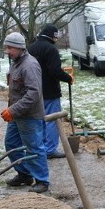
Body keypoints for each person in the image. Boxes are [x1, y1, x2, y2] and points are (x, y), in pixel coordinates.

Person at [0, 32, 50, 193]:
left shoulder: (29, 65)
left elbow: (34, 94)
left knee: (34, 147)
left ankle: (42, 181)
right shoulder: (16, 62)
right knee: (11, 143)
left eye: (10, 47)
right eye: (6, 47)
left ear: (20, 48)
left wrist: (12, 110)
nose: (7, 51)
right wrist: (11, 110)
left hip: (29, 115)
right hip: (17, 114)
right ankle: (24, 174)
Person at [27, 24, 73, 159]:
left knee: (39, 120)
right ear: (53, 36)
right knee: (53, 120)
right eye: (56, 37)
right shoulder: (51, 49)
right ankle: (50, 149)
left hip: (34, 91)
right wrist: (68, 78)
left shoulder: (31, 48)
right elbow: (54, 71)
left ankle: (39, 148)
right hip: (50, 91)